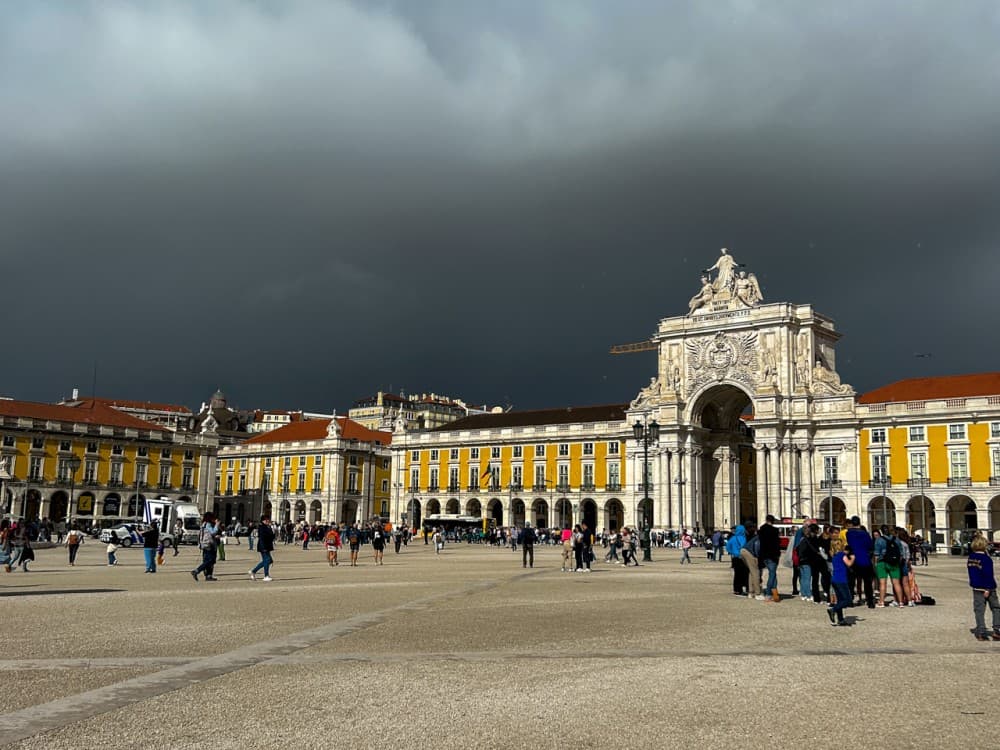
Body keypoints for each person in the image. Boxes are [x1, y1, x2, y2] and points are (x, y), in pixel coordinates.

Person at [967, 535, 1000, 641]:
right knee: (995, 608)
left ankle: (981, 632)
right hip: (987, 587)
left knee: (979, 611)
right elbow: (988, 574)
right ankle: (996, 629)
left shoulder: (971, 558)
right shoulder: (986, 559)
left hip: (976, 588)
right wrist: (988, 589)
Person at [845, 516, 875, 608]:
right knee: (867, 582)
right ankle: (870, 602)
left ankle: (850, 601)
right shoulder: (865, 533)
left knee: (851, 582)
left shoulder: (849, 533)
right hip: (865, 559)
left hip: (853, 558)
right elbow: (870, 546)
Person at [827, 538, 854, 626]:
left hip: (834, 579)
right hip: (841, 579)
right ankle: (833, 610)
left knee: (840, 600)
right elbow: (849, 563)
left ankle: (840, 619)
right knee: (847, 600)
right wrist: (853, 558)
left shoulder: (834, 555)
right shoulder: (842, 555)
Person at [758, 515, 782, 602]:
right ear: (773, 521)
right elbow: (777, 544)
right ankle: (768, 593)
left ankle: (775, 594)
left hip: (764, 555)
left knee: (773, 574)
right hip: (772, 555)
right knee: (772, 574)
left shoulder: (761, 530)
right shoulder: (774, 530)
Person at [191, 513, 219, 582]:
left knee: (207, 560)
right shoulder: (208, 524)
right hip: (209, 545)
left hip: (204, 544)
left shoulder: (203, 524)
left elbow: (206, 534)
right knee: (210, 560)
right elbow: (213, 532)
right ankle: (197, 571)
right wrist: (217, 525)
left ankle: (208, 575)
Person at [249, 516, 275, 581]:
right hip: (263, 546)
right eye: (266, 520)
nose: (268, 521)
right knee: (267, 560)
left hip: (267, 546)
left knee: (268, 560)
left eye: (268, 520)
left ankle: (253, 571)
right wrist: (264, 547)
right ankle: (266, 575)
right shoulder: (262, 527)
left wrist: (272, 530)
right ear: (263, 521)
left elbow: (272, 537)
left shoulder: (267, 527)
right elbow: (262, 538)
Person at [740, 527, 763, 600]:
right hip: (750, 553)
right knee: (756, 573)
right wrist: (757, 558)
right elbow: (757, 547)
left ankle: (751, 592)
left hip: (744, 551)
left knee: (751, 572)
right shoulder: (760, 538)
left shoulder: (756, 537)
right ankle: (757, 593)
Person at [726, 525, 748, 595]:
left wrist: (733, 552)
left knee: (737, 574)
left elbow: (728, 548)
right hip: (744, 557)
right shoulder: (745, 538)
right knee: (746, 573)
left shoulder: (732, 538)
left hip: (735, 558)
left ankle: (737, 589)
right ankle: (747, 587)